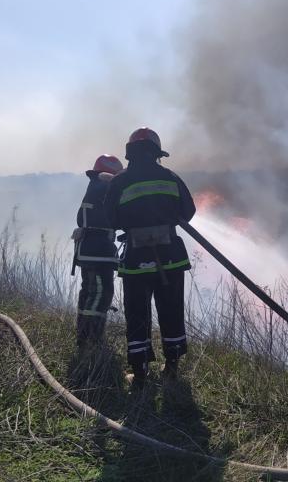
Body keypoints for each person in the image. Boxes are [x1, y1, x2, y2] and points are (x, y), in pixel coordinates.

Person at [105, 128, 196, 386]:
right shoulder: (170, 177)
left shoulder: (120, 181)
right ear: (157, 151)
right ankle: (172, 367)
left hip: (136, 259)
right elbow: (188, 211)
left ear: (130, 152)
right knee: (171, 309)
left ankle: (140, 371)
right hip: (171, 257)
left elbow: (110, 218)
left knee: (137, 313)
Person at [72, 154, 124, 349]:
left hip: (88, 250)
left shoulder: (94, 187)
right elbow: (119, 214)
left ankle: (83, 336)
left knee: (89, 292)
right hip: (99, 252)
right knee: (101, 293)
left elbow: (81, 219)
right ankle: (92, 339)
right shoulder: (104, 185)